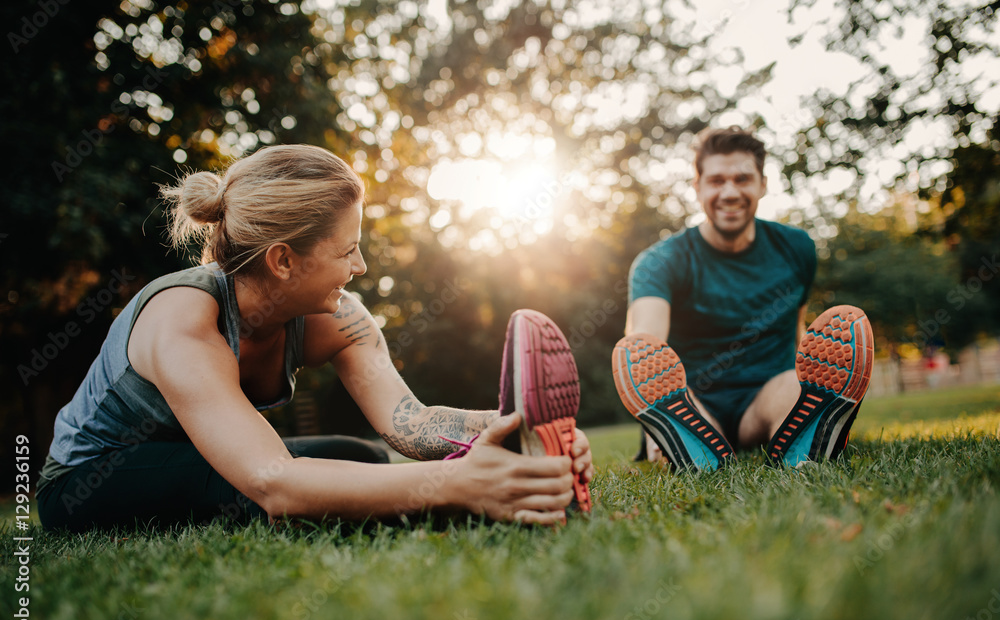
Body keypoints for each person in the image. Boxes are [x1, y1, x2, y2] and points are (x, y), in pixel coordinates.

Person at [37, 144, 593, 532]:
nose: (362, 265)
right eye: (346, 249)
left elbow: (412, 424)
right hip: (90, 478)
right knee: (257, 494)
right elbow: (276, 483)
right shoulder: (184, 318)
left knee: (364, 459)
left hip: (204, 460)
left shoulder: (338, 318)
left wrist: (514, 432)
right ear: (283, 260)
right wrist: (460, 485)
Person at [612, 126, 873, 470]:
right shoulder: (660, 261)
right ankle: (675, 435)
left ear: (763, 184)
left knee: (794, 389)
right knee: (679, 400)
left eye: (742, 179)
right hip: (696, 399)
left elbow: (796, 327)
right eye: (717, 181)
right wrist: (648, 413)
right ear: (698, 187)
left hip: (766, 397)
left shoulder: (797, 248)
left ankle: (809, 432)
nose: (730, 192)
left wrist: (811, 375)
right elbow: (644, 345)